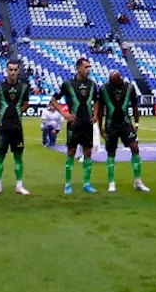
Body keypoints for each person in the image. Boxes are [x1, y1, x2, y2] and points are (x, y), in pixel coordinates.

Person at [53, 57, 99, 194]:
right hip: (74, 124)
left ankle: (87, 183)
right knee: (71, 152)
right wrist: (64, 114)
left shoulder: (92, 84)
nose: (88, 70)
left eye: (89, 67)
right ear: (78, 68)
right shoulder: (68, 84)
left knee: (88, 153)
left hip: (88, 124)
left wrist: (96, 114)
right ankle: (67, 184)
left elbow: (97, 100)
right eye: (85, 67)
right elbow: (54, 100)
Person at [96, 70, 147, 193]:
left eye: (115, 83)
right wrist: (100, 126)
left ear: (119, 80)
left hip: (125, 123)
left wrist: (137, 123)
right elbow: (100, 109)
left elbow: (134, 105)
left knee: (135, 147)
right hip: (110, 125)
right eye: (111, 83)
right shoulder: (103, 89)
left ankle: (138, 181)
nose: (113, 85)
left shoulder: (129, 87)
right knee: (111, 152)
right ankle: (111, 182)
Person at [0, 59, 30, 197]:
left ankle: (19, 185)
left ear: (18, 71)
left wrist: (18, 111)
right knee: (0, 156)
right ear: (6, 70)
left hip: (17, 126)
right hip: (2, 127)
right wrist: (0, 113)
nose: (12, 72)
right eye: (10, 70)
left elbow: (25, 103)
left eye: (15, 70)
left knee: (18, 156)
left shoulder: (23, 87)